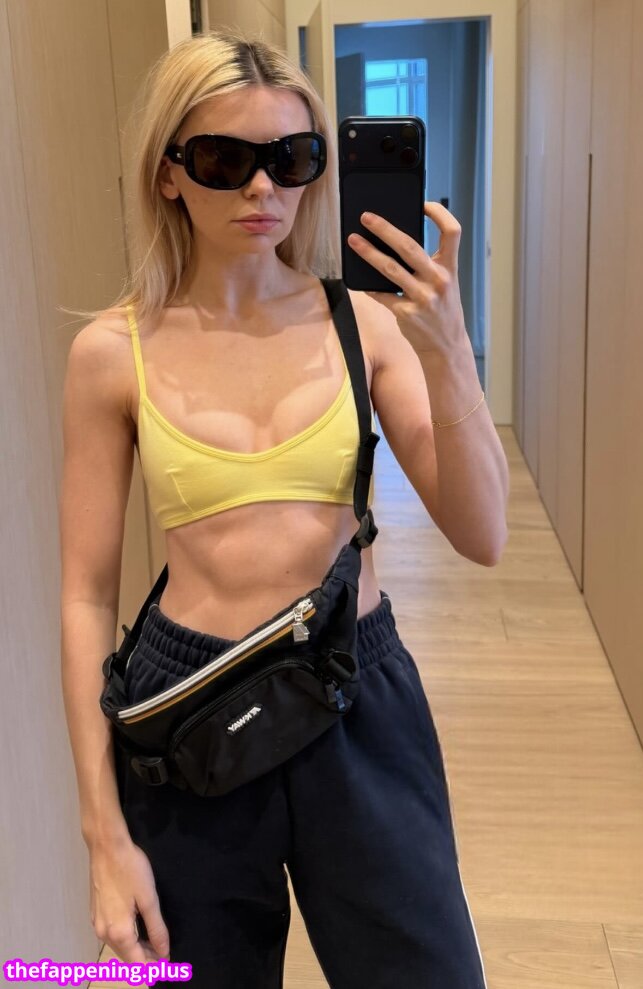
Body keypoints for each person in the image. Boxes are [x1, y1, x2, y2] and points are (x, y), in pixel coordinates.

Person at [59, 29, 508, 989]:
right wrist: (103, 836)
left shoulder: (366, 326)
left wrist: (449, 349)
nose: (263, 188)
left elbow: (483, 534)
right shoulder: (111, 352)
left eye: (293, 158)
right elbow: (84, 597)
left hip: (355, 684)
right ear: (170, 173)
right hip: (190, 712)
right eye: (226, 160)